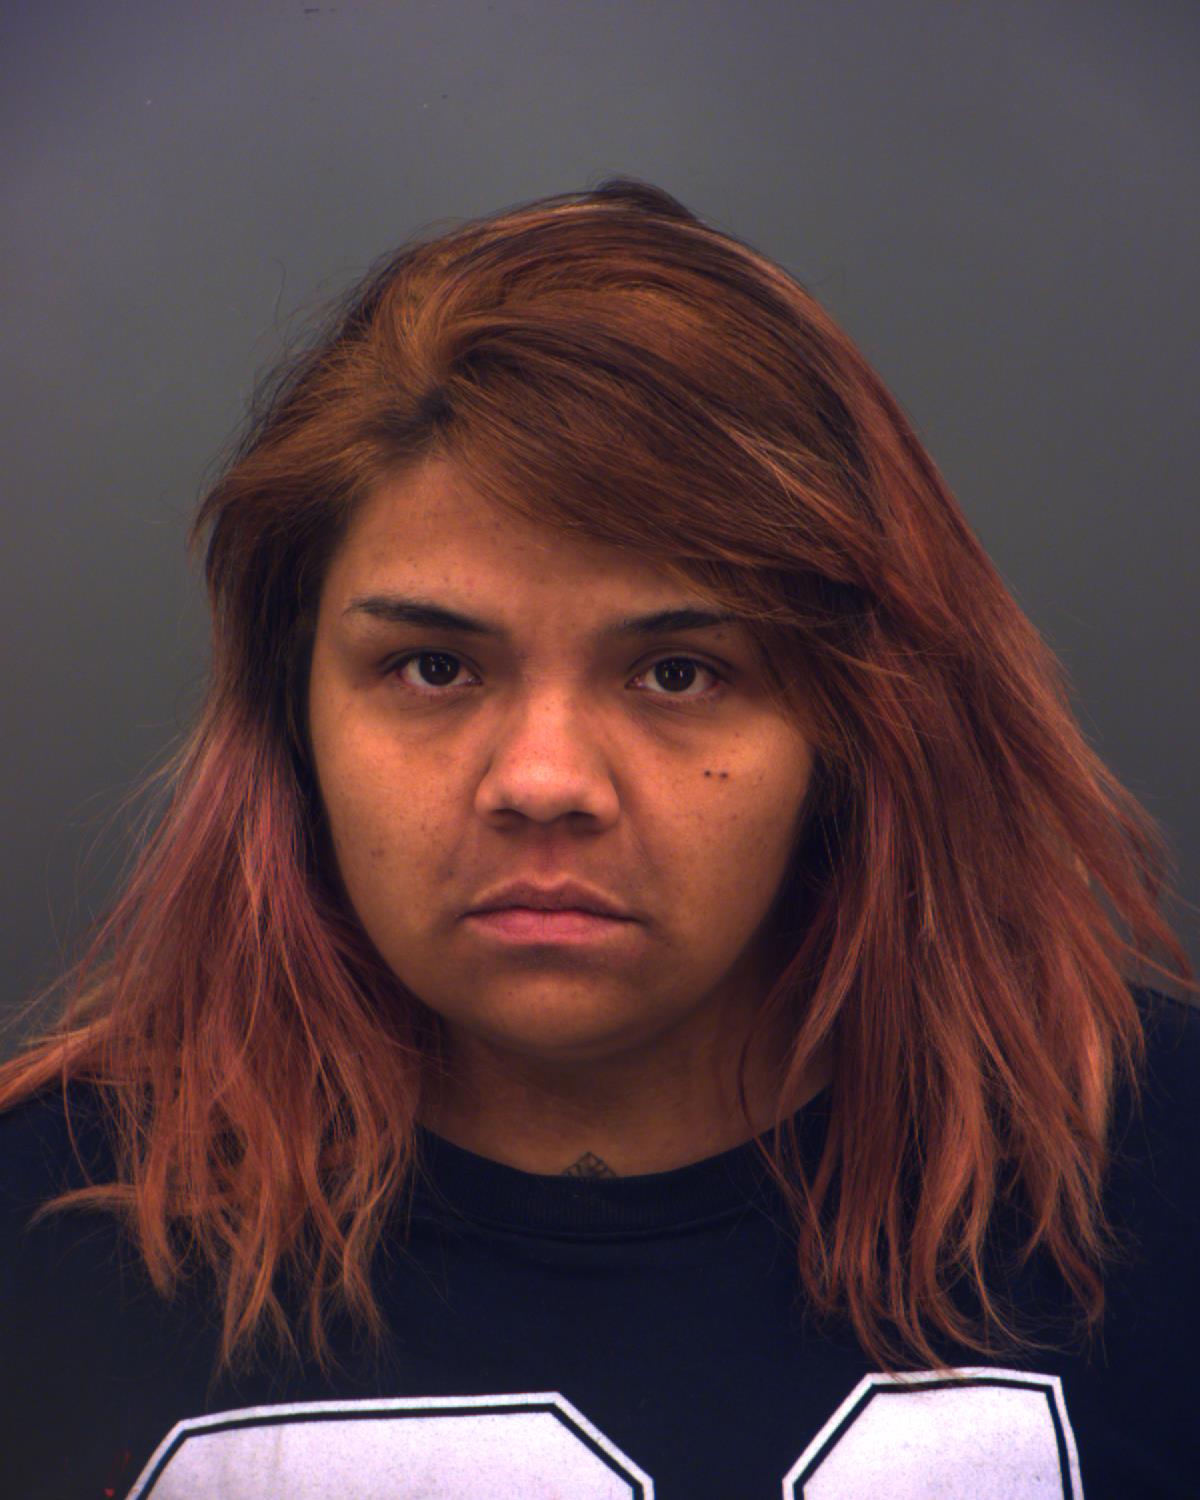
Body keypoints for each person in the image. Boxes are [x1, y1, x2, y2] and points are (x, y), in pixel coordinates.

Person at [1, 177, 1196, 1500]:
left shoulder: (1164, 1170)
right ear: (295, 712)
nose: (544, 782)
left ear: (861, 723)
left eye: (678, 672)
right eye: (434, 668)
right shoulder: (43, 1224)